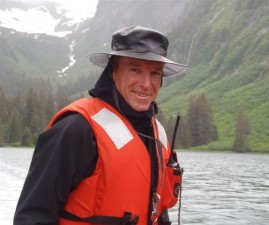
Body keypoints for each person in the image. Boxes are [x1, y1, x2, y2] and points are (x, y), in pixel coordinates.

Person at [14, 26, 187, 225]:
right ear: (113, 72)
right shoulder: (77, 128)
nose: (146, 84)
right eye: (135, 70)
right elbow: (31, 216)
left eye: (155, 73)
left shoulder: (159, 135)